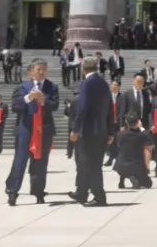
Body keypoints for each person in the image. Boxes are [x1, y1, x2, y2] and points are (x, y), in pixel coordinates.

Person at [6, 58, 59, 206]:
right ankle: (12, 191)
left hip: (44, 129)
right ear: (30, 72)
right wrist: (28, 98)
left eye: (44, 69)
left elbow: (54, 105)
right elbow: (15, 107)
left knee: (41, 162)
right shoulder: (22, 87)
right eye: (38, 69)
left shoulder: (52, 86)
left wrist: (43, 101)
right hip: (25, 129)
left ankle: (38, 192)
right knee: (20, 160)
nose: (42, 72)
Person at [70, 55, 113, 206]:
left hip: (89, 131)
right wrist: (110, 132)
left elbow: (83, 108)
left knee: (91, 164)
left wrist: (75, 129)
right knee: (85, 162)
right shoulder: (103, 83)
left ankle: (99, 197)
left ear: (83, 69)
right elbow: (110, 109)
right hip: (101, 130)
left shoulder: (86, 84)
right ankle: (81, 193)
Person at [114, 110, 154, 188]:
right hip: (136, 167)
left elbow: (118, 145)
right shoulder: (142, 135)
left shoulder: (120, 134)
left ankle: (123, 179)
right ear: (138, 122)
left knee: (124, 154)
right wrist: (141, 128)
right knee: (148, 184)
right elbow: (150, 144)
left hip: (121, 166)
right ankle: (133, 177)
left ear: (126, 121)